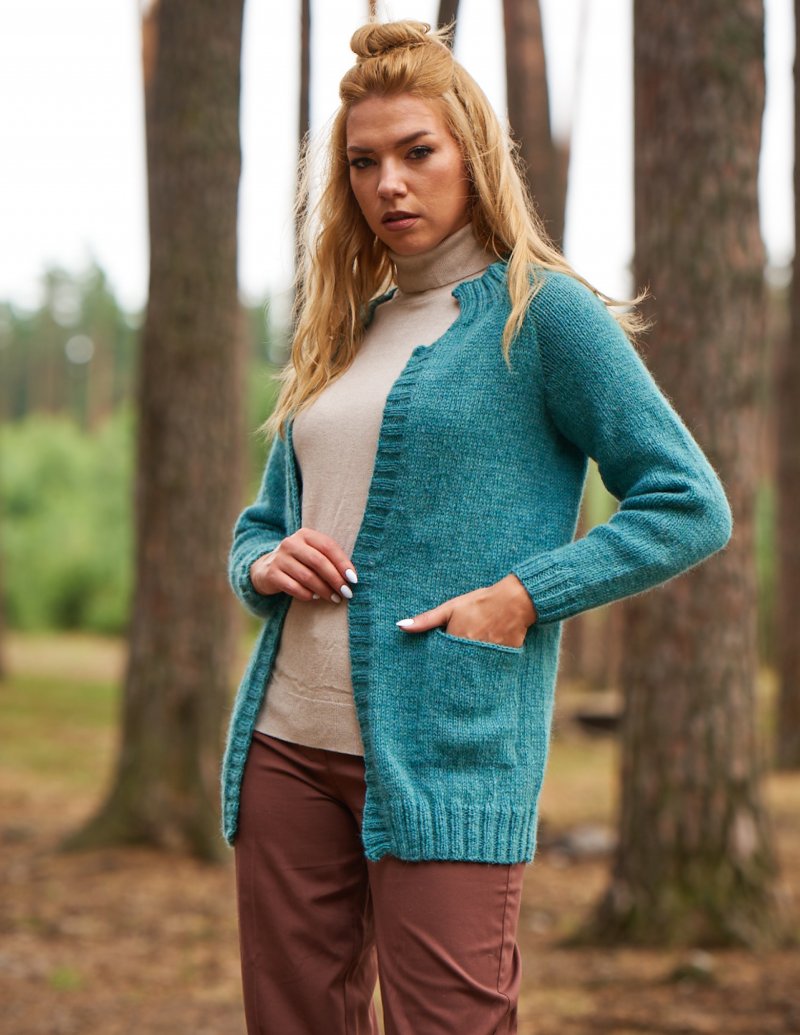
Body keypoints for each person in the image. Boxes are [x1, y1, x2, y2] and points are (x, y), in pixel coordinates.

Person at [220, 18, 733, 1035]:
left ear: (472, 153)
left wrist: (521, 598)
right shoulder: (345, 327)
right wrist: (263, 561)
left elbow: (687, 502)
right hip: (285, 741)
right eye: (363, 162)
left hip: (449, 745)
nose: (389, 184)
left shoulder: (542, 315)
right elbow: (265, 519)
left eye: (417, 152)